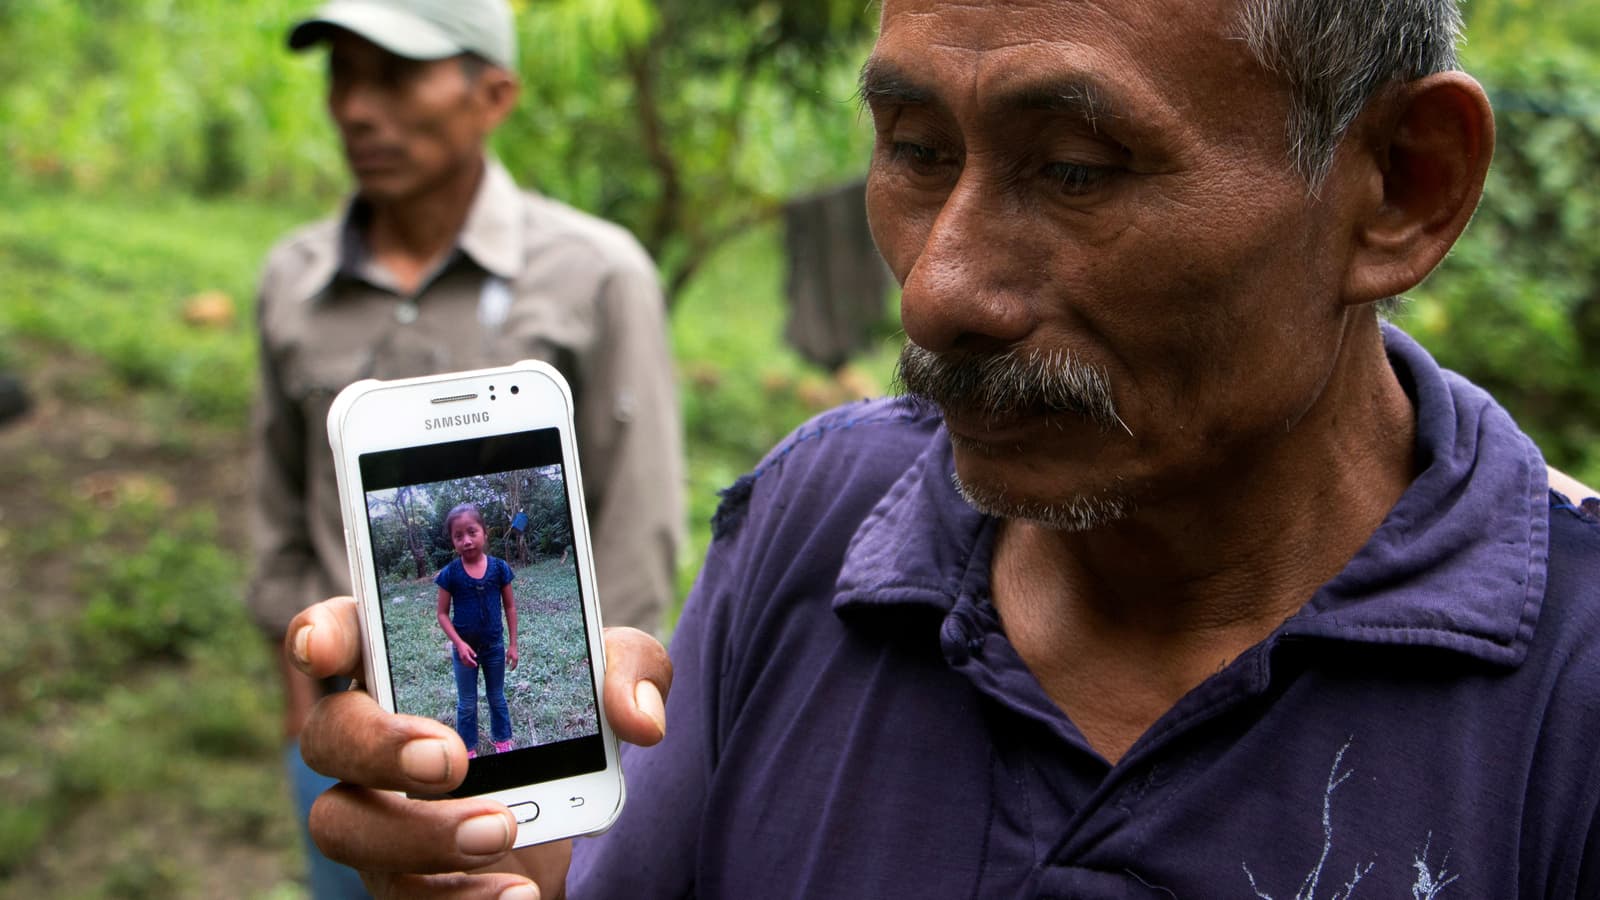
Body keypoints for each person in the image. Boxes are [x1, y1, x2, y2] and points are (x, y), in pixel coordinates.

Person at [288, 0, 1600, 896]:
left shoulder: (1568, 700)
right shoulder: (817, 519)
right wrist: (509, 873)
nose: (936, 293)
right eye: (916, 151)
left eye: (1077, 169)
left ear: (1403, 185)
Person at [246, 0, 684, 895]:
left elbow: (637, 533)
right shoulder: (293, 281)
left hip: (551, 799)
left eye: (396, 76)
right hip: (348, 753)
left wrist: (591, 762)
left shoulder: (596, 275)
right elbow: (278, 502)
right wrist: (303, 704)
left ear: (494, 95)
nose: (356, 108)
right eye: (342, 75)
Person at [434, 503, 519, 758]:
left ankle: (502, 740)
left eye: (472, 532)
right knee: (467, 703)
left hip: (494, 647)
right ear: (453, 541)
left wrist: (513, 645)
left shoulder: (499, 568)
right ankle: (467, 749)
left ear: (484, 532)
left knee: (497, 697)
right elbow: (441, 614)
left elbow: (510, 607)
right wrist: (459, 644)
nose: (466, 541)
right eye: (458, 536)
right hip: (464, 652)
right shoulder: (450, 574)